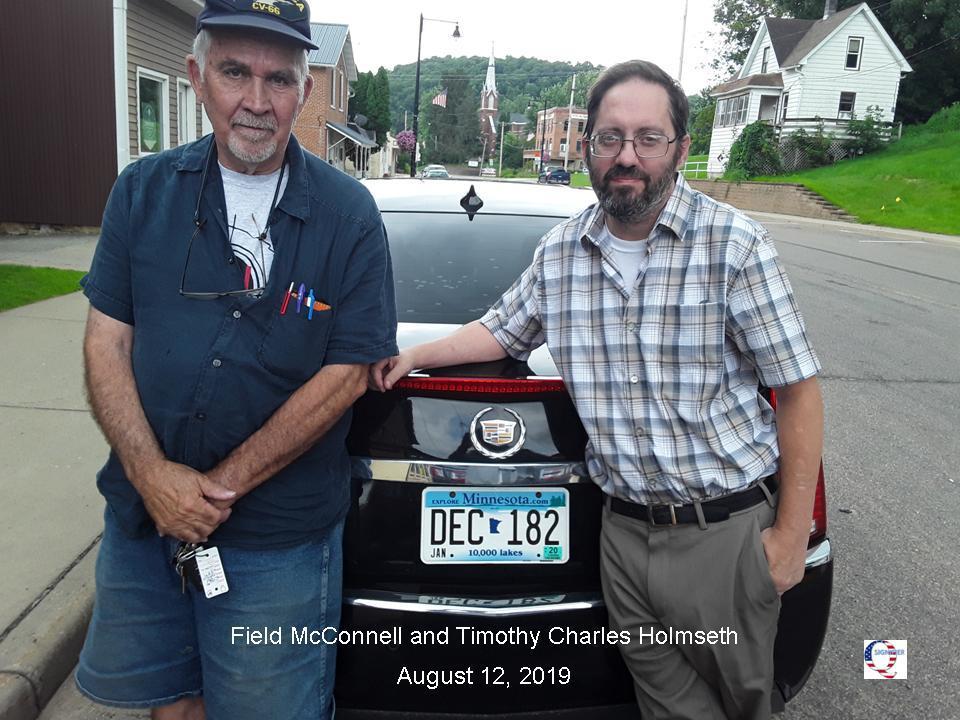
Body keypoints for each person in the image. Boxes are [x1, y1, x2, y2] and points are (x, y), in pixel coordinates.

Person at [372, 59, 823, 720]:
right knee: (667, 706)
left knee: (740, 705)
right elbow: (499, 332)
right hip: (623, 538)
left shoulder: (734, 246)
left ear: (680, 149)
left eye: (647, 137)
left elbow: (799, 391)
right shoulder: (561, 254)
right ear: (588, 148)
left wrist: (788, 536)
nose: (627, 156)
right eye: (610, 137)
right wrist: (411, 354)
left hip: (720, 537)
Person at [75, 1, 397, 718]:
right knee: (171, 703)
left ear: (305, 90)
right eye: (234, 72)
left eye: (279, 79)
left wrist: (211, 492)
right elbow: (107, 340)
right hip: (144, 520)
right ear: (195, 75)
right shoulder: (141, 192)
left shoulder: (349, 215)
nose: (257, 102)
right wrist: (154, 478)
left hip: (277, 541)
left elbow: (346, 373)